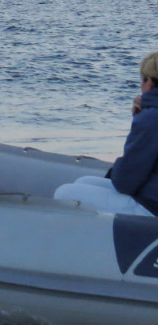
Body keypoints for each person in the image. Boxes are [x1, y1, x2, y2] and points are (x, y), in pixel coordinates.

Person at [54, 52, 158, 216]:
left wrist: (139, 119)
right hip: (151, 193)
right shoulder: (150, 117)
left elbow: (125, 182)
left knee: (63, 193)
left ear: (149, 82)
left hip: (151, 206)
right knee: (83, 181)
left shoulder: (151, 118)